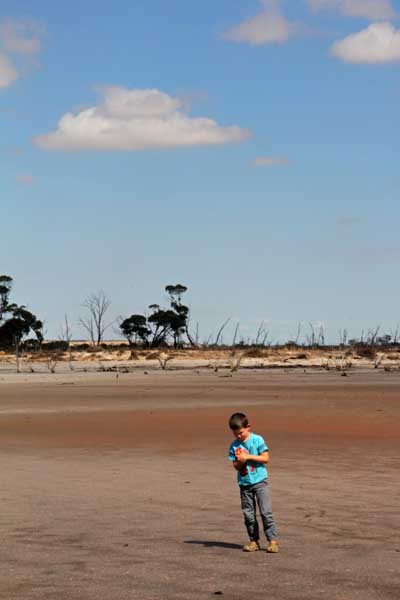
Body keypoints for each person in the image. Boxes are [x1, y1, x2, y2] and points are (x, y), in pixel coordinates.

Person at [228, 412, 279, 553]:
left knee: (266, 512)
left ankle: (272, 541)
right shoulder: (234, 445)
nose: (238, 436)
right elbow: (235, 466)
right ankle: (253, 541)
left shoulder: (257, 439)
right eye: (235, 434)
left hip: (260, 481)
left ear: (248, 427)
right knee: (249, 514)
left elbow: (265, 458)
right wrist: (239, 461)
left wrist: (248, 456)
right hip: (244, 484)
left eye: (241, 433)